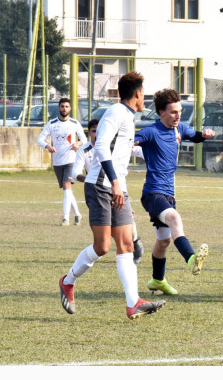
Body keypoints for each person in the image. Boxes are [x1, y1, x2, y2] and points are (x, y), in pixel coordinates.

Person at [58, 71, 166, 320]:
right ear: (137, 94)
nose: (144, 100)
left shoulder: (128, 117)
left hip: (119, 187)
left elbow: (121, 152)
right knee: (102, 247)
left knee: (127, 244)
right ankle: (68, 280)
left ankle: (133, 302)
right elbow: (102, 146)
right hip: (100, 186)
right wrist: (115, 183)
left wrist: (121, 185)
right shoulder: (116, 113)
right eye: (143, 95)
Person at [134, 89, 214, 296]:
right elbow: (135, 139)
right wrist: (127, 143)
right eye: (173, 112)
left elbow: (194, 136)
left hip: (168, 194)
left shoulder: (179, 130)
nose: (178, 116)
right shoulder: (151, 131)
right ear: (161, 112)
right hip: (153, 193)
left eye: (179, 111)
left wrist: (203, 135)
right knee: (174, 217)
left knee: (163, 241)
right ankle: (190, 258)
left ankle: (157, 280)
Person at [72, 119, 145, 264]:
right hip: (98, 190)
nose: (97, 134)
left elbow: (139, 151)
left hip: (117, 186)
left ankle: (134, 242)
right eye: (94, 131)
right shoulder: (84, 150)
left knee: (127, 220)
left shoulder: (114, 146)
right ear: (89, 133)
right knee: (106, 239)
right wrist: (90, 180)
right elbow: (75, 173)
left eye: (100, 131)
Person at [37, 97, 87, 226]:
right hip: (57, 161)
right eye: (62, 106)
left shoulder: (74, 123)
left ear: (70, 109)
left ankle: (65, 218)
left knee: (67, 185)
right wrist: (48, 146)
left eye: (67, 106)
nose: (64, 109)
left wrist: (78, 143)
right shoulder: (52, 123)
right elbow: (40, 139)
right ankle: (77, 214)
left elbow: (84, 139)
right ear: (59, 108)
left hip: (71, 160)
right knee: (67, 190)